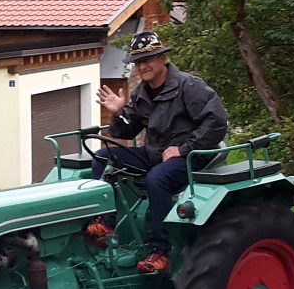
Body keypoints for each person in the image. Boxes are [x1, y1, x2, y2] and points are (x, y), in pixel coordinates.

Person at [92, 31, 228, 273]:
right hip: (156, 154)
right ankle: (105, 223)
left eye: (148, 59)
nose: (142, 67)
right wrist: (118, 112)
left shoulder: (189, 86)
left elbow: (216, 123)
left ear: (163, 57)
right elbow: (128, 130)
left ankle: (161, 251)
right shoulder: (141, 93)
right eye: (137, 62)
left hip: (193, 157)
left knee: (158, 178)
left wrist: (184, 148)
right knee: (104, 156)